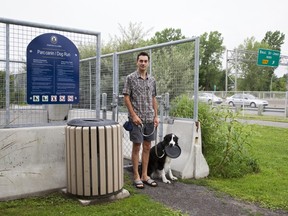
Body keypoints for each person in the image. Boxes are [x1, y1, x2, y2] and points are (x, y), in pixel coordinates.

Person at [123, 51, 159, 189]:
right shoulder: (130, 78)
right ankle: (136, 176)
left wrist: (156, 116)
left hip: (150, 118)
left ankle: (145, 175)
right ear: (137, 62)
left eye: (145, 61)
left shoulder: (152, 80)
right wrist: (133, 116)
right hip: (136, 120)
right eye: (141, 61)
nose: (143, 63)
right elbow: (126, 98)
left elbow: (153, 98)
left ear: (148, 63)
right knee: (136, 146)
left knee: (147, 147)